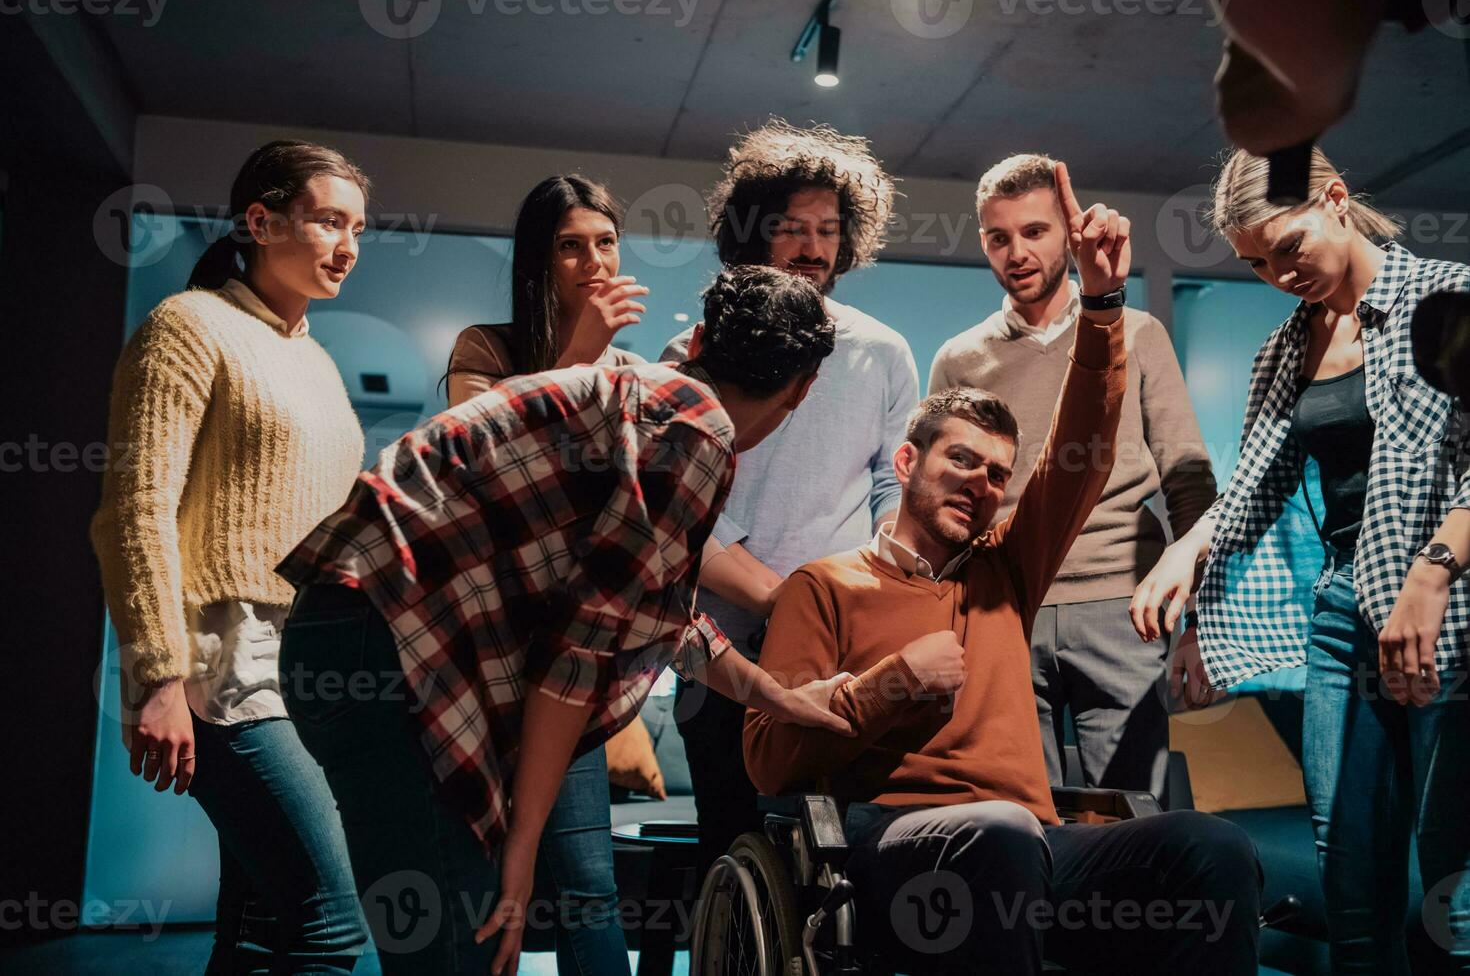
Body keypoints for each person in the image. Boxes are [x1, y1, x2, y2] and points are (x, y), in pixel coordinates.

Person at [745, 166, 1262, 975]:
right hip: (897, 837)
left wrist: (1100, 306)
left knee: (1210, 848)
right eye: (961, 460)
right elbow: (772, 757)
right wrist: (888, 684)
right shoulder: (826, 585)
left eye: (997, 473)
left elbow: (1074, 456)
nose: (981, 484)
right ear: (907, 461)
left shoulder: (1002, 570)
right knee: (1003, 836)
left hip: (1030, 840)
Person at [276, 265, 856, 975]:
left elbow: (667, 614)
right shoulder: (695, 430)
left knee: (458, 938)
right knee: (466, 945)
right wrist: (523, 851)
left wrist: (777, 697)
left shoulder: (646, 393)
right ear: (802, 388)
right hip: (384, 638)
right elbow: (577, 655)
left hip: (349, 628)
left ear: (702, 337)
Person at [1131, 146, 1470, 972]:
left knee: (1450, 860)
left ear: (1338, 202)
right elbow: (1250, 489)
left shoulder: (1445, 298)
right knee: (1350, 861)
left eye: (1290, 248)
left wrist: (1431, 573)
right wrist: (1186, 550)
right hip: (1342, 610)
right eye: (1257, 264)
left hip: (1453, 605)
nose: (1280, 275)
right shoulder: (1283, 352)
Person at [89, 140, 372, 972]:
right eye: (328, 220)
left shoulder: (315, 359)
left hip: (310, 665)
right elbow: (134, 512)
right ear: (261, 219)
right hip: (225, 660)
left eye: (359, 227)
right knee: (330, 925)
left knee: (259, 929)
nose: (348, 245)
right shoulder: (189, 325)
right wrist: (157, 677)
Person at [660, 118, 920, 874]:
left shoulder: (882, 350)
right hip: (721, 646)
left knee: (839, 860)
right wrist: (781, 598)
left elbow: (892, 477)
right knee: (733, 852)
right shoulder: (695, 352)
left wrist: (873, 580)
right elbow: (682, 509)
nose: (812, 247)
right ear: (754, 234)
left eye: (828, 231)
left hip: (842, 639)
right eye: (792, 229)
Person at [930, 153, 1215, 799]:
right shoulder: (959, 358)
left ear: (1069, 231)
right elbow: (946, 505)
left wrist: (1202, 622)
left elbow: (1190, 482)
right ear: (983, 241)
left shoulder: (1137, 334)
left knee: (1132, 820)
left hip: (1125, 606)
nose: (1017, 252)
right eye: (999, 237)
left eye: (1035, 232)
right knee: (1016, 818)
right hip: (1005, 608)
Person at [443, 173, 649, 976]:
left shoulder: (632, 371)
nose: (592, 261)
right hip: (473, 657)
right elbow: (474, 472)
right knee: (475, 883)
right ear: (539, 261)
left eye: (605, 242)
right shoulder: (483, 349)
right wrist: (579, 355)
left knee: (589, 888)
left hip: (567, 660)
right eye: (570, 246)